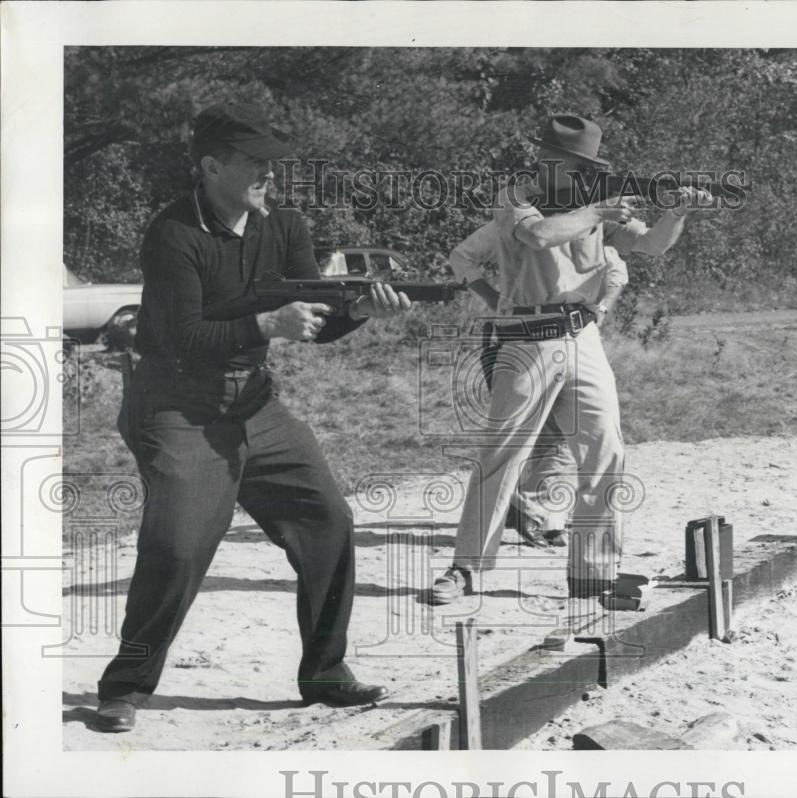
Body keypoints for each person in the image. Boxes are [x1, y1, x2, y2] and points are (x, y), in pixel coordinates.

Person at [95, 102, 411, 733]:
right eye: (255, 162)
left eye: (271, 161)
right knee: (179, 546)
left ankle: (325, 673)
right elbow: (182, 336)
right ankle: (125, 684)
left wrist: (358, 312)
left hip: (255, 404)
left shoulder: (283, 225)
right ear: (212, 166)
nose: (270, 172)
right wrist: (266, 323)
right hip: (175, 408)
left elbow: (314, 322)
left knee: (328, 519)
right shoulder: (171, 235)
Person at [432, 114, 709, 605]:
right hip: (526, 336)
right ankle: (466, 569)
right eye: (576, 166)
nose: (583, 176)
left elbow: (650, 244)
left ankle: (593, 573)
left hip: (582, 336)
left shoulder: (592, 205)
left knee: (606, 450)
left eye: (589, 168)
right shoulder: (516, 197)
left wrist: (679, 213)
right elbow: (538, 236)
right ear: (547, 162)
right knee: (503, 455)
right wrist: (598, 212)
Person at [447, 220, 632, 548]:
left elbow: (617, 273)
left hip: (578, 338)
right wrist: (494, 299)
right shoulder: (519, 221)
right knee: (516, 444)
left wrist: (601, 307)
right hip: (519, 338)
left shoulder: (594, 224)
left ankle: (557, 527)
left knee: (595, 445)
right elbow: (462, 257)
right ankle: (524, 520)